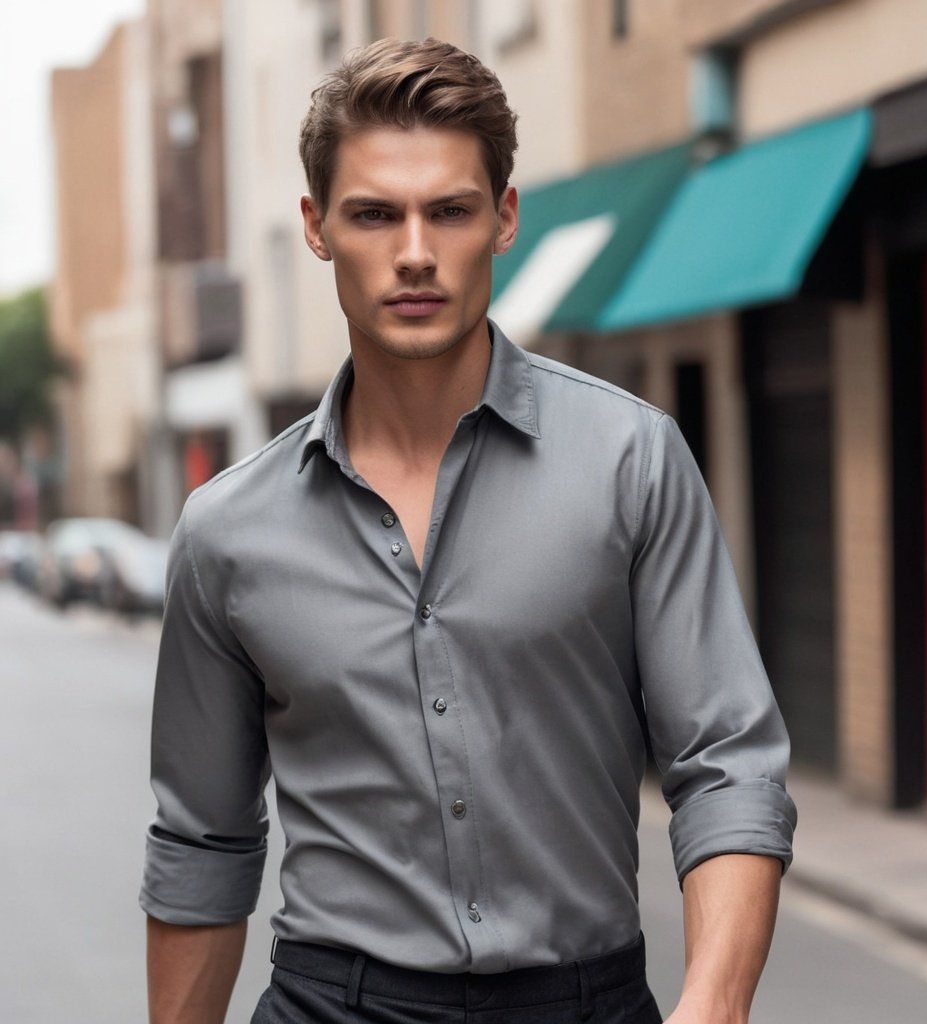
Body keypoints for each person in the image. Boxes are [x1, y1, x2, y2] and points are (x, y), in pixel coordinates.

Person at [140, 35, 798, 1024]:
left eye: (449, 210)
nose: (414, 252)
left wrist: (714, 1003)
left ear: (503, 217)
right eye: (375, 214)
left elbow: (726, 765)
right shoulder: (226, 530)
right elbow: (202, 842)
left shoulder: (630, 460)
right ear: (317, 227)